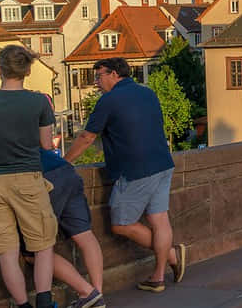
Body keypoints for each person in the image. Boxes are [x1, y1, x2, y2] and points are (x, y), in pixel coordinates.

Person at [65, 57, 185, 293]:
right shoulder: (147, 92)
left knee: (121, 224)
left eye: (98, 76)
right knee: (160, 220)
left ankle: (171, 253)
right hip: (162, 163)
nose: (96, 82)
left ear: (114, 74)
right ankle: (159, 276)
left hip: (136, 169)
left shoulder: (109, 100)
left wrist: (65, 162)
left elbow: (87, 137)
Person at [0, 45, 59, 308]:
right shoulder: (38, 102)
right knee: (42, 243)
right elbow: (47, 144)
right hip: (28, 177)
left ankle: (22, 304)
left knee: (6, 249)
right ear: (27, 70)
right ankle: (44, 300)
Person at [37, 147, 106, 308]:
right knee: (84, 235)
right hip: (64, 169)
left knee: (35, 250)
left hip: (43, 176)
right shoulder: (29, 121)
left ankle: (88, 293)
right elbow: (47, 144)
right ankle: (97, 295)